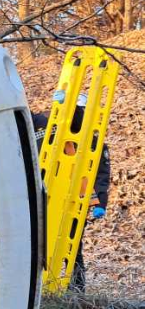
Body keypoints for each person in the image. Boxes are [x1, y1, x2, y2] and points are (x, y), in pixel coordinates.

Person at [33, 96, 111, 291]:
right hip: (45, 197)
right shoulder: (45, 127)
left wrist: (100, 202)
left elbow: (101, 173)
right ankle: (38, 287)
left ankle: (75, 289)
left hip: (76, 201)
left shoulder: (94, 141)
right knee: (40, 243)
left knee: (72, 247)